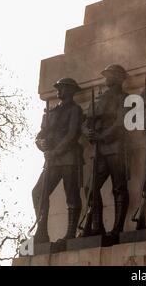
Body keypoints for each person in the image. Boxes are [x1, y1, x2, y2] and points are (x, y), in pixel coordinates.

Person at [32, 78, 84, 244]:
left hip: (69, 159)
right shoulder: (51, 112)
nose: (58, 90)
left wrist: (54, 151)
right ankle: (41, 232)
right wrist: (41, 144)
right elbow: (40, 135)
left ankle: (70, 233)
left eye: (62, 87)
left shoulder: (75, 110)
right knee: (38, 192)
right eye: (58, 87)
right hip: (53, 160)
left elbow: (72, 135)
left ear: (71, 90)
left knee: (72, 196)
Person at [81, 64, 130, 237]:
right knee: (90, 188)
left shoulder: (125, 98)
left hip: (116, 147)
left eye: (109, 75)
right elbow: (86, 122)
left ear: (118, 78)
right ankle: (97, 224)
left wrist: (102, 136)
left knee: (119, 188)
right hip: (100, 150)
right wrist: (87, 131)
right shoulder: (99, 99)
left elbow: (121, 122)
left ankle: (118, 227)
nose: (106, 78)